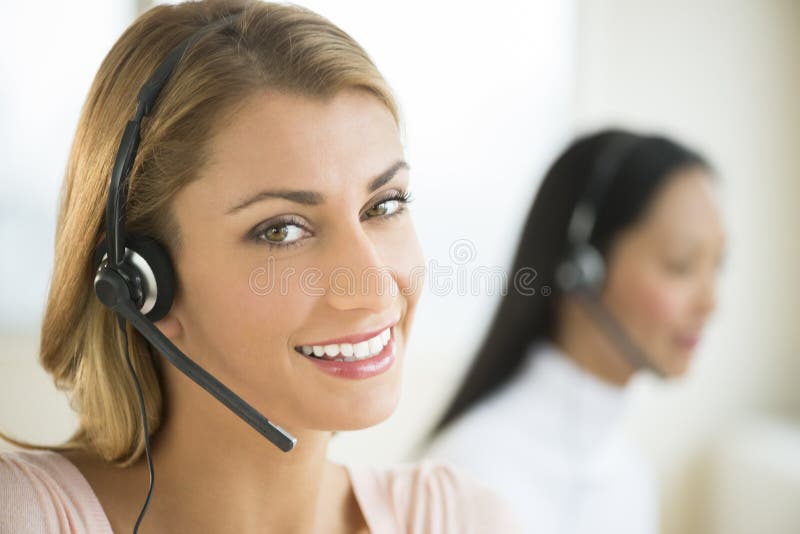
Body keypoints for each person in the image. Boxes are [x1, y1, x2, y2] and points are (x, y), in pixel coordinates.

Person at [0, 2, 522, 532]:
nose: (374, 287)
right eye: (282, 230)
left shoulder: (460, 518)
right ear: (140, 282)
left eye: (383, 205)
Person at [423, 129, 727, 534]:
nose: (710, 302)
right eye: (681, 265)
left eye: (717, 264)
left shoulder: (630, 476)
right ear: (580, 268)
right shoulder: (468, 477)